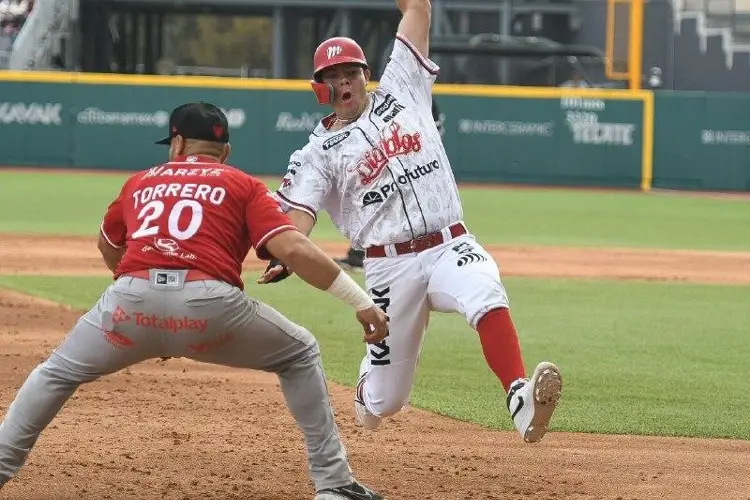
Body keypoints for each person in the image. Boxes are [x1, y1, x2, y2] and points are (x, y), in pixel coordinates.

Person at [0, 102, 388, 500]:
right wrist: (359, 301)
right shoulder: (243, 184)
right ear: (226, 152)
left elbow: (109, 244)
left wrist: (147, 305)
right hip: (210, 309)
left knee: (55, 373)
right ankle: (334, 484)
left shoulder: (140, 182)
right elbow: (293, 248)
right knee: (299, 352)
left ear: (178, 143)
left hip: (129, 303)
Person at [260, 0, 563, 444]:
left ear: (366, 74)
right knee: (387, 401)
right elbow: (297, 218)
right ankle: (368, 390)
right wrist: (287, 253)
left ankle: (519, 397)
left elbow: (418, 8)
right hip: (389, 267)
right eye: (333, 77)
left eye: (351, 73)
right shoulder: (316, 154)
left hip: (448, 243)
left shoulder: (404, 85)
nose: (344, 82)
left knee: (485, 289)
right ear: (319, 88)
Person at [333, 96, 445, 272]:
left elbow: (433, 133)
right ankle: (359, 255)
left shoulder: (421, 97)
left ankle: (369, 256)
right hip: (393, 164)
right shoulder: (393, 96)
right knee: (375, 204)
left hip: (415, 164)